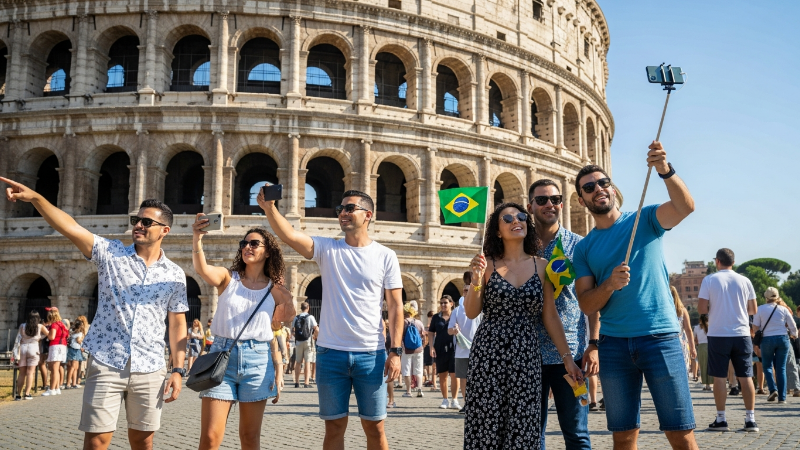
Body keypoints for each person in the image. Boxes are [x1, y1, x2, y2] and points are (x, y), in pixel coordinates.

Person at [1, 175, 189, 450]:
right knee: (97, 440)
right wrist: (37, 199)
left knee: (143, 440)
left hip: (150, 365)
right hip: (107, 360)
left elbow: (177, 324)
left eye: (146, 222)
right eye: (136, 220)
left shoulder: (175, 274)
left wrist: (177, 369)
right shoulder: (111, 254)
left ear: (164, 230)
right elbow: (71, 228)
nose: (138, 225)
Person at [572, 144, 699, 450]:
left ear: (612, 189)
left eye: (603, 183)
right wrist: (609, 285)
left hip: (660, 338)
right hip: (614, 346)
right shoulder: (584, 248)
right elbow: (587, 303)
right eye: (589, 188)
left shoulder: (645, 219)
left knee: (680, 433)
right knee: (623, 437)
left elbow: (685, 207)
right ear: (581, 199)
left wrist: (664, 170)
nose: (598, 190)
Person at [260, 188, 403, 450]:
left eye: (350, 208)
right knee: (334, 427)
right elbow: (290, 236)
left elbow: (395, 307)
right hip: (330, 353)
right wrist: (269, 208)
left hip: (371, 354)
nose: (342, 213)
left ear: (368, 215)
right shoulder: (328, 249)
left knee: (375, 427)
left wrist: (395, 351)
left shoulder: (386, 256)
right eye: (340, 209)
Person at [464, 202, 583, 449]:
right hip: (488, 353)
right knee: (487, 424)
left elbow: (549, 317)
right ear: (497, 231)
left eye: (520, 217)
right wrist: (476, 280)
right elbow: (472, 311)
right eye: (507, 219)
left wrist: (567, 358)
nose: (516, 221)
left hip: (526, 355)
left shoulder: (542, 266)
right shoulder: (486, 264)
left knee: (523, 425)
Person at [191, 218, 296, 449]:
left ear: (268, 251)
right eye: (244, 243)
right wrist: (197, 239)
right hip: (221, 356)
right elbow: (202, 269)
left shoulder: (274, 289)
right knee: (210, 438)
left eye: (254, 243)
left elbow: (278, 327)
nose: (247, 247)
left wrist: (278, 371)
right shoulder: (228, 278)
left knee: (250, 438)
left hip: (258, 360)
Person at [527, 178, 599, 449]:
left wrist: (593, 344)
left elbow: (591, 301)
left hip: (570, 354)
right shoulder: (519, 246)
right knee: (532, 434)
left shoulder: (579, 246)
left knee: (577, 432)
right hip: (527, 352)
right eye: (542, 200)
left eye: (555, 199)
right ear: (530, 205)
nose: (550, 205)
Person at [697, 248, 758, 432]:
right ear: (733, 261)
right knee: (746, 376)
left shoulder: (709, 279)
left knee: (720, 377)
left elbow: (701, 309)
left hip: (718, 333)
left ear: (717, 261)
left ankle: (721, 419)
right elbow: (753, 309)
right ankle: (750, 419)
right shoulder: (745, 280)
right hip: (741, 333)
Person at [753, 287, 798, 404]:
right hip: (783, 338)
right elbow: (792, 325)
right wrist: (794, 335)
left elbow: (755, 326)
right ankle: (782, 398)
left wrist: (758, 337)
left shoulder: (760, 309)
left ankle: (773, 389)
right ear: (777, 297)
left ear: (766, 297)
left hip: (767, 339)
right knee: (781, 368)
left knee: (767, 366)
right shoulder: (783, 309)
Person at [448, 279, 481, 414]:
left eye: (469, 290)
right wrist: (454, 331)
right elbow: (449, 330)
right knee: (463, 378)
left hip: (478, 349)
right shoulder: (457, 310)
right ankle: (467, 403)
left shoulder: (481, 307)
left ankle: (478, 403)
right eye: (464, 291)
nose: (466, 293)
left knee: (478, 378)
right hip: (461, 350)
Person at [429, 294, 459, 409]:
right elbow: (431, 333)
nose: (443, 305)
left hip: (454, 348)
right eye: (441, 303)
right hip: (440, 348)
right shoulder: (436, 317)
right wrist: (431, 347)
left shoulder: (456, 316)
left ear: (451, 304)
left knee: (454, 374)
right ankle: (445, 399)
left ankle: (455, 399)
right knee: (443, 376)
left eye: (445, 303)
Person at [15, 310, 48, 400]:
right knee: (30, 372)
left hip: (23, 347)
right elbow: (49, 335)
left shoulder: (22, 326)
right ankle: (27, 393)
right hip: (33, 347)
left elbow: (19, 337)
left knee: (22, 373)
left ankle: (18, 394)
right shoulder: (40, 326)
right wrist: (39, 337)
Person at [41, 307, 68, 396]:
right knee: (55, 368)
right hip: (62, 345)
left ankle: (52, 389)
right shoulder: (62, 325)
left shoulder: (54, 325)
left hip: (55, 346)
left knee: (54, 369)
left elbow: (51, 337)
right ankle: (56, 388)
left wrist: (45, 332)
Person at [401, 303, 426, 398]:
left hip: (406, 349)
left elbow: (399, 336)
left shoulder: (403, 322)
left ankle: (408, 391)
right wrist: (422, 346)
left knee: (406, 370)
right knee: (418, 369)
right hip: (418, 349)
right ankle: (419, 389)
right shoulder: (419, 322)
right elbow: (423, 335)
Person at [293, 302, 319, 388]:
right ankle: (306, 382)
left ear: (301, 308)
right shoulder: (311, 317)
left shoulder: (296, 318)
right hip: (308, 341)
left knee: (298, 362)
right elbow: (316, 329)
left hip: (298, 342)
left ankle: (296, 382)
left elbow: (292, 330)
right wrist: (315, 336)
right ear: (308, 308)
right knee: (307, 362)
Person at [671, 286, 696, 375]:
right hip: (681, 344)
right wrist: (692, 348)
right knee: (682, 372)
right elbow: (688, 330)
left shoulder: (664, 311)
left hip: (667, 343)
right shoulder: (682, 310)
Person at [66, 316, 88, 389]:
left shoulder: (72, 332)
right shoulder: (80, 334)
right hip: (75, 350)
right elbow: (78, 341)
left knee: (75, 367)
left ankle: (73, 383)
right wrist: (82, 340)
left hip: (72, 349)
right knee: (73, 367)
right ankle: (69, 383)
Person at [694, 315, 712, 390]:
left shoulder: (697, 327)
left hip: (701, 346)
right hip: (711, 346)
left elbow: (694, 338)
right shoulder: (711, 326)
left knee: (703, 365)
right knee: (711, 365)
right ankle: (711, 383)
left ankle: (707, 384)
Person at [423, 310, 436, 389]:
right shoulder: (427, 326)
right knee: (427, 364)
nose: (431, 317)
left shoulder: (435, 325)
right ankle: (428, 379)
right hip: (428, 346)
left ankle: (434, 383)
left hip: (434, 346)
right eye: (430, 316)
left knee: (434, 366)